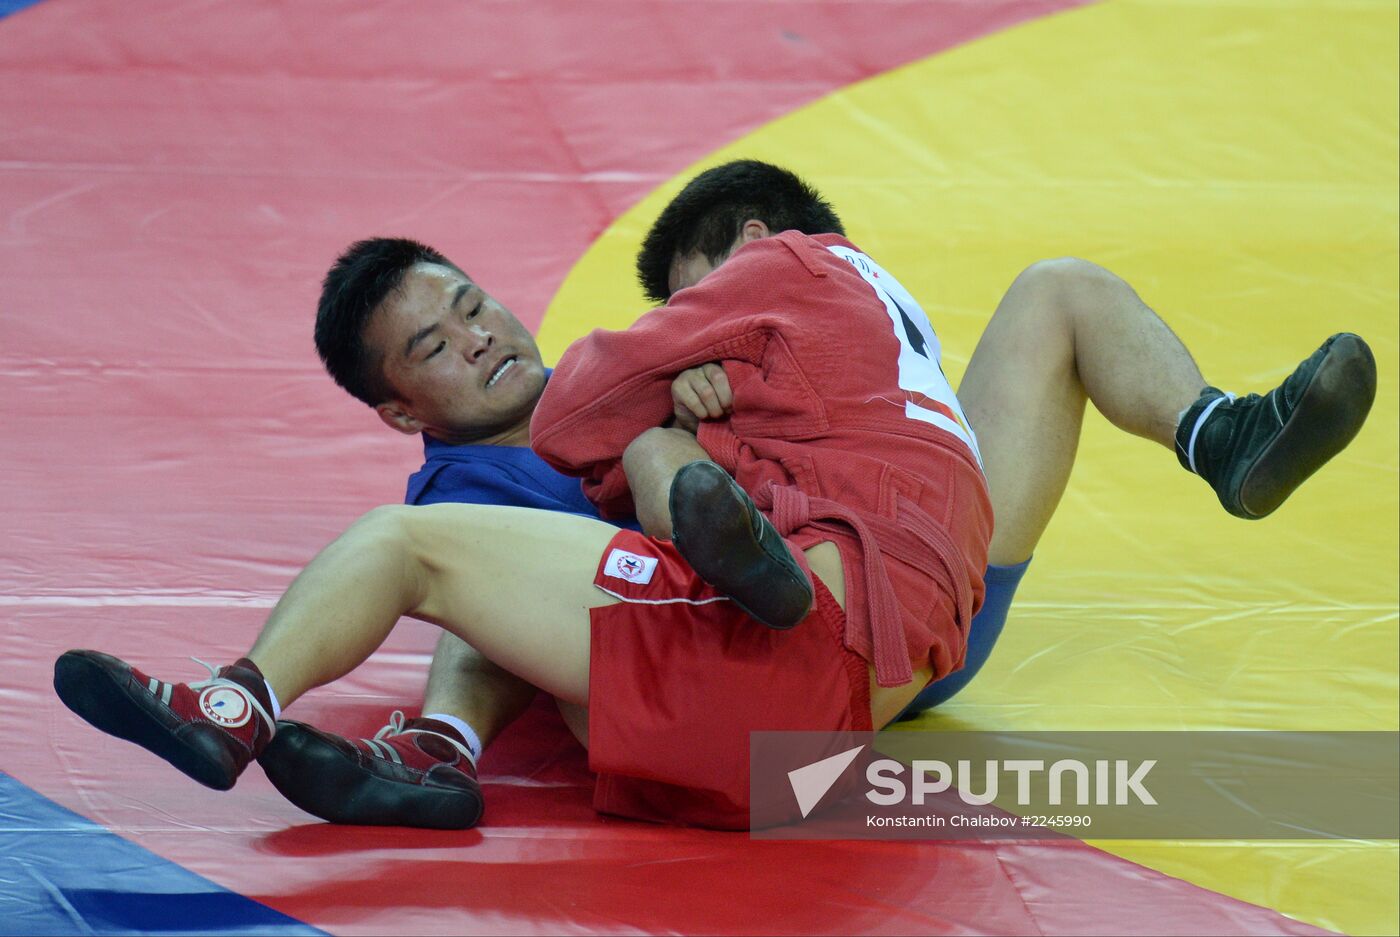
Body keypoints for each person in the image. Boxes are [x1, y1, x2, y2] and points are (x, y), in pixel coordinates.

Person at [53, 161, 1376, 832]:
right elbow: (529, 598)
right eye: (438, 350)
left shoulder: (661, 367)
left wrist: (708, 414)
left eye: (472, 305)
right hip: (834, 639)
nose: (481, 337)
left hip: (862, 609)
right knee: (500, 529)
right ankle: (430, 748)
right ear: (401, 406)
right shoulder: (485, 464)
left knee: (1054, 293)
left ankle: (1217, 433)